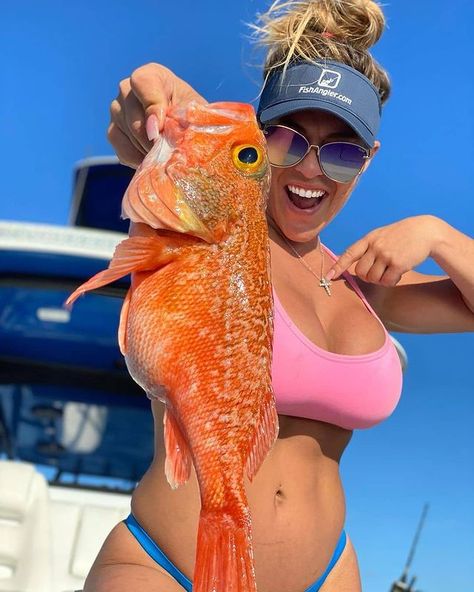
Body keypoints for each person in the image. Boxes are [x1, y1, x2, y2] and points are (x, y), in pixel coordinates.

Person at [88, 1, 474, 591]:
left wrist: (437, 233)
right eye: (287, 142)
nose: (310, 169)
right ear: (255, 142)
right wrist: (157, 103)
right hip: (166, 567)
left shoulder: (367, 286)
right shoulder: (207, 230)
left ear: (366, 164)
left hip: (328, 573)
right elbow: (169, 119)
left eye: (342, 152)